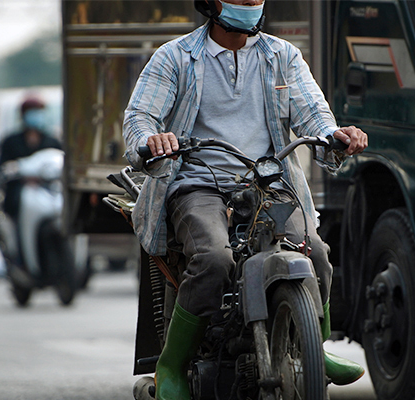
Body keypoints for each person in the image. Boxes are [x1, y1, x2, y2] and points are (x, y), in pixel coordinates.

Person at [123, 1, 368, 399]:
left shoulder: (282, 56)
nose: (251, 5)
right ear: (211, 4)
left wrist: (336, 136)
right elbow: (139, 118)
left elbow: (315, 118)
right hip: (198, 184)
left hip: (267, 184)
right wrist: (151, 140)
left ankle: (315, 350)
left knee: (317, 254)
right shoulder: (175, 57)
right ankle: (171, 365)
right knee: (214, 260)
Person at [0, 97, 61, 219]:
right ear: (23, 115)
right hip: (19, 192)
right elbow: (2, 169)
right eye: (32, 112)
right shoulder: (11, 142)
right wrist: (25, 178)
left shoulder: (52, 142)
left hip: (48, 191)